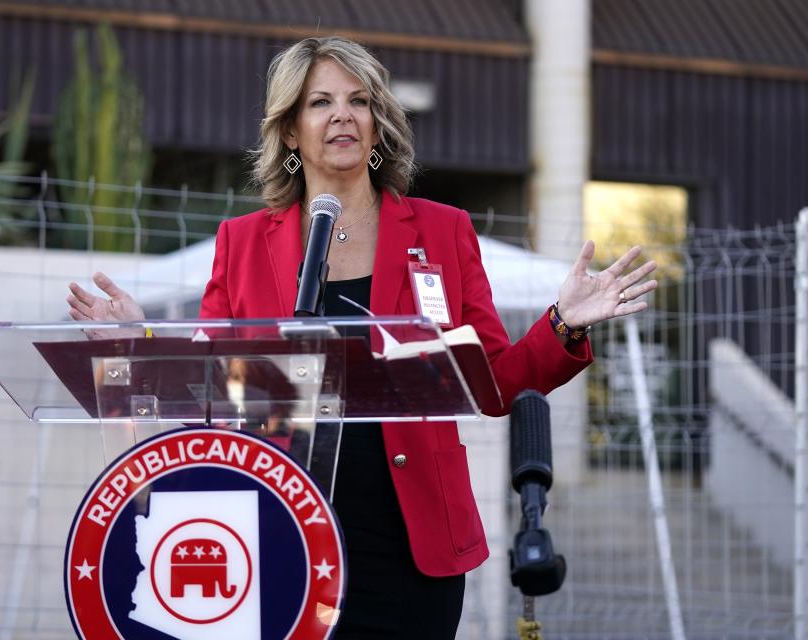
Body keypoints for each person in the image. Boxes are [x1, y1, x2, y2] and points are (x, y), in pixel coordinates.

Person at [67, 36, 658, 639]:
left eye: (359, 101)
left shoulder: (443, 231)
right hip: (279, 533)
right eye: (320, 102)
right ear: (291, 131)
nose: (342, 115)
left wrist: (563, 321)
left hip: (407, 543)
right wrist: (141, 342)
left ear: (378, 125)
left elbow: (493, 386)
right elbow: (216, 386)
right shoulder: (241, 242)